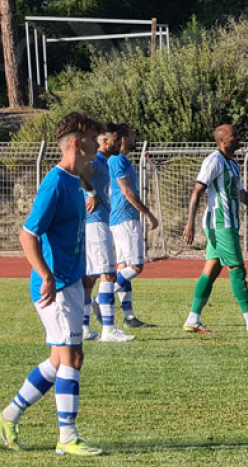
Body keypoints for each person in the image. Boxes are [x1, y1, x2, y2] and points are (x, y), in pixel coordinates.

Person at [0, 113, 105, 456]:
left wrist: (82, 274)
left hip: (70, 281)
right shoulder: (54, 183)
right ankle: (66, 437)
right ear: (77, 144)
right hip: (55, 286)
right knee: (72, 357)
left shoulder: (74, 179)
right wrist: (46, 275)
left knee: (60, 360)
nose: (98, 144)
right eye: (93, 139)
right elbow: (27, 236)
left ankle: (7, 417)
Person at [182, 125, 248, 334]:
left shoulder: (232, 163)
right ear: (222, 140)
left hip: (227, 223)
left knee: (211, 270)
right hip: (221, 223)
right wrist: (189, 223)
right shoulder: (214, 160)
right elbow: (197, 191)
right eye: (234, 136)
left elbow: (242, 195)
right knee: (237, 269)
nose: (239, 138)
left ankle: (192, 319)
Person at [80, 124, 134, 342]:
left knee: (89, 279)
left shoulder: (104, 161)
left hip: (94, 222)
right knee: (108, 274)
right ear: (104, 141)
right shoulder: (96, 159)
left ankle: (84, 328)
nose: (118, 143)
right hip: (95, 222)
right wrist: (91, 193)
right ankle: (109, 330)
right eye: (115, 139)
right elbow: (80, 171)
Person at [108, 124, 159, 327]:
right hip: (125, 219)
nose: (134, 138)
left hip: (119, 219)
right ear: (122, 138)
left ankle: (129, 317)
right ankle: (102, 298)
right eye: (132, 135)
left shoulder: (120, 160)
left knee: (124, 268)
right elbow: (127, 192)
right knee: (137, 266)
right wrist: (148, 214)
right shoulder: (118, 160)